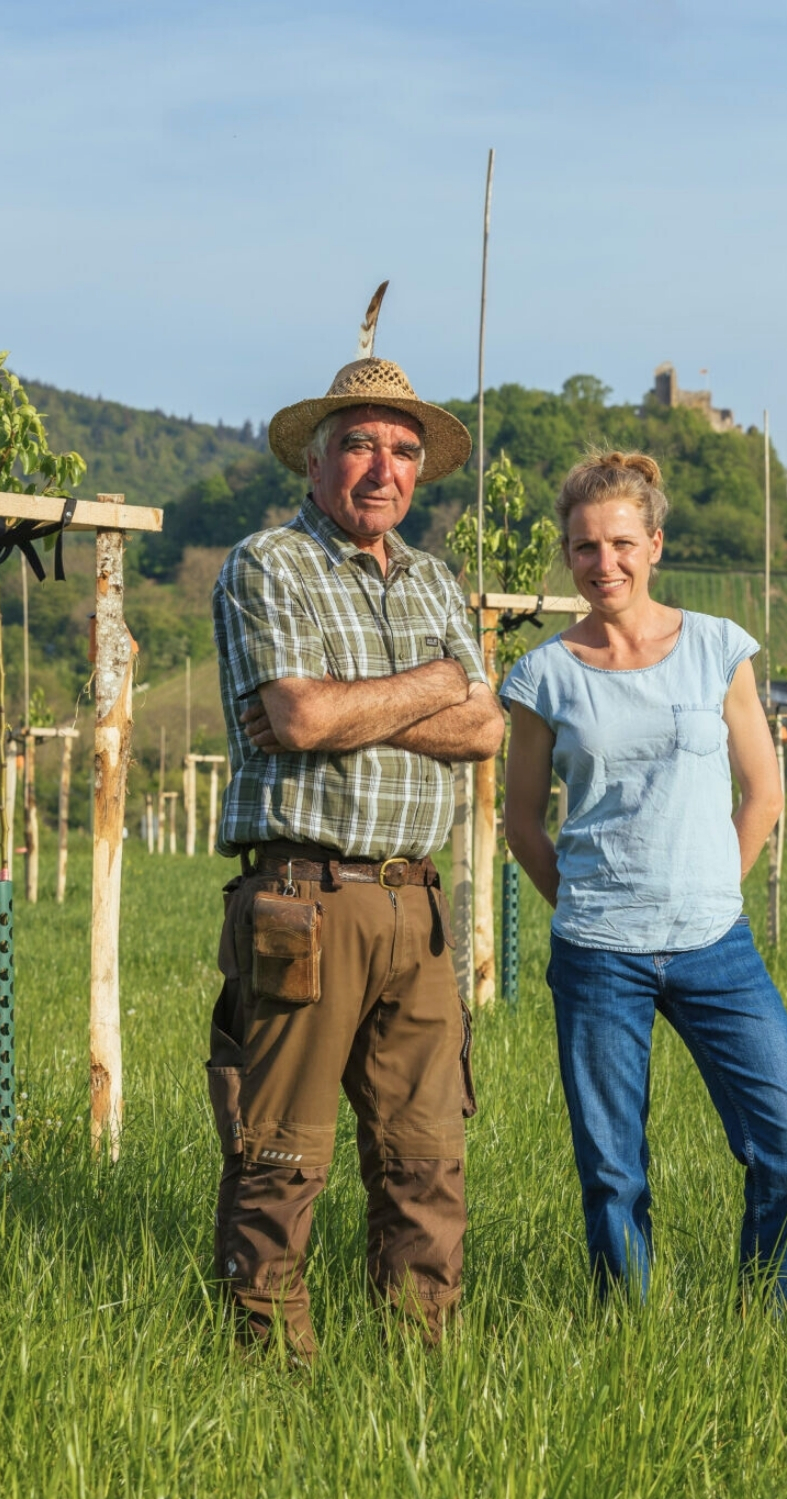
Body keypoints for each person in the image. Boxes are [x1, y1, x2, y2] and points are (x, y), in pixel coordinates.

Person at [206, 344, 502, 1358]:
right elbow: (294, 715)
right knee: (281, 1153)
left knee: (426, 1157)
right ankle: (266, 1372)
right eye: (360, 445)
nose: (384, 468)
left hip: (416, 908)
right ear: (316, 459)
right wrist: (432, 684)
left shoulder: (432, 578)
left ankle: (417, 1364)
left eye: (403, 450)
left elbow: (487, 729)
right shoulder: (267, 563)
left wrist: (358, 703)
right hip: (306, 898)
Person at [500, 450, 787, 1302]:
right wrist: (583, 906)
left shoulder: (717, 648)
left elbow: (762, 795)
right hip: (598, 954)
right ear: (568, 557)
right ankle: (630, 1334)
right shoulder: (542, 675)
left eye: (619, 543)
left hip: (716, 945)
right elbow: (522, 825)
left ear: (653, 543)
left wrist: (713, 886)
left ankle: (770, 1319)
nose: (602, 563)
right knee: (612, 1171)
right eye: (583, 547)